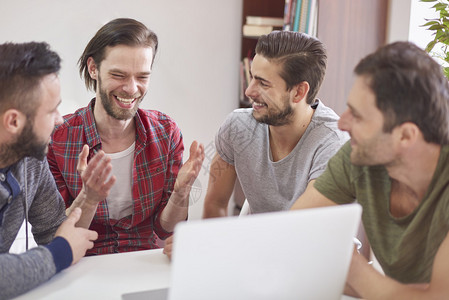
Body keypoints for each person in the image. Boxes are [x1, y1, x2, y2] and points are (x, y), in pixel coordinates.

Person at [291, 41, 449, 299]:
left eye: (358, 115)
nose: (341, 123)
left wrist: (349, 263)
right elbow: (292, 232)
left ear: (406, 136)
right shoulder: (359, 157)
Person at [47, 18, 204, 255]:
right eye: (119, 75)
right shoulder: (58, 139)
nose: (131, 89)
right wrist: (89, 199)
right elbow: (57, 236)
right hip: (83, 260)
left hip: (143, 259)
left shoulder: (166, 133)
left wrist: (181, 194)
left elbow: (165, 229)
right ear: (93, 69)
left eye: (142, 77)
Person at [0, 42, 114, 299]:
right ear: (14, 121)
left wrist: (89, 197)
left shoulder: (30, 159)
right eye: (51, 110)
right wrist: (60, 252)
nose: (60, 119)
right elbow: (62, 245)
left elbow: (55, 231)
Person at [203, 31, 348, 217]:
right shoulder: (237, 127)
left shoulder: (334, 143)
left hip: (312, 242)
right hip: (259, 241)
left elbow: (301, 228)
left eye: (263, 84)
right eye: (252, 77)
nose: (248, 91)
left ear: (298, 92)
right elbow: (215, 204)